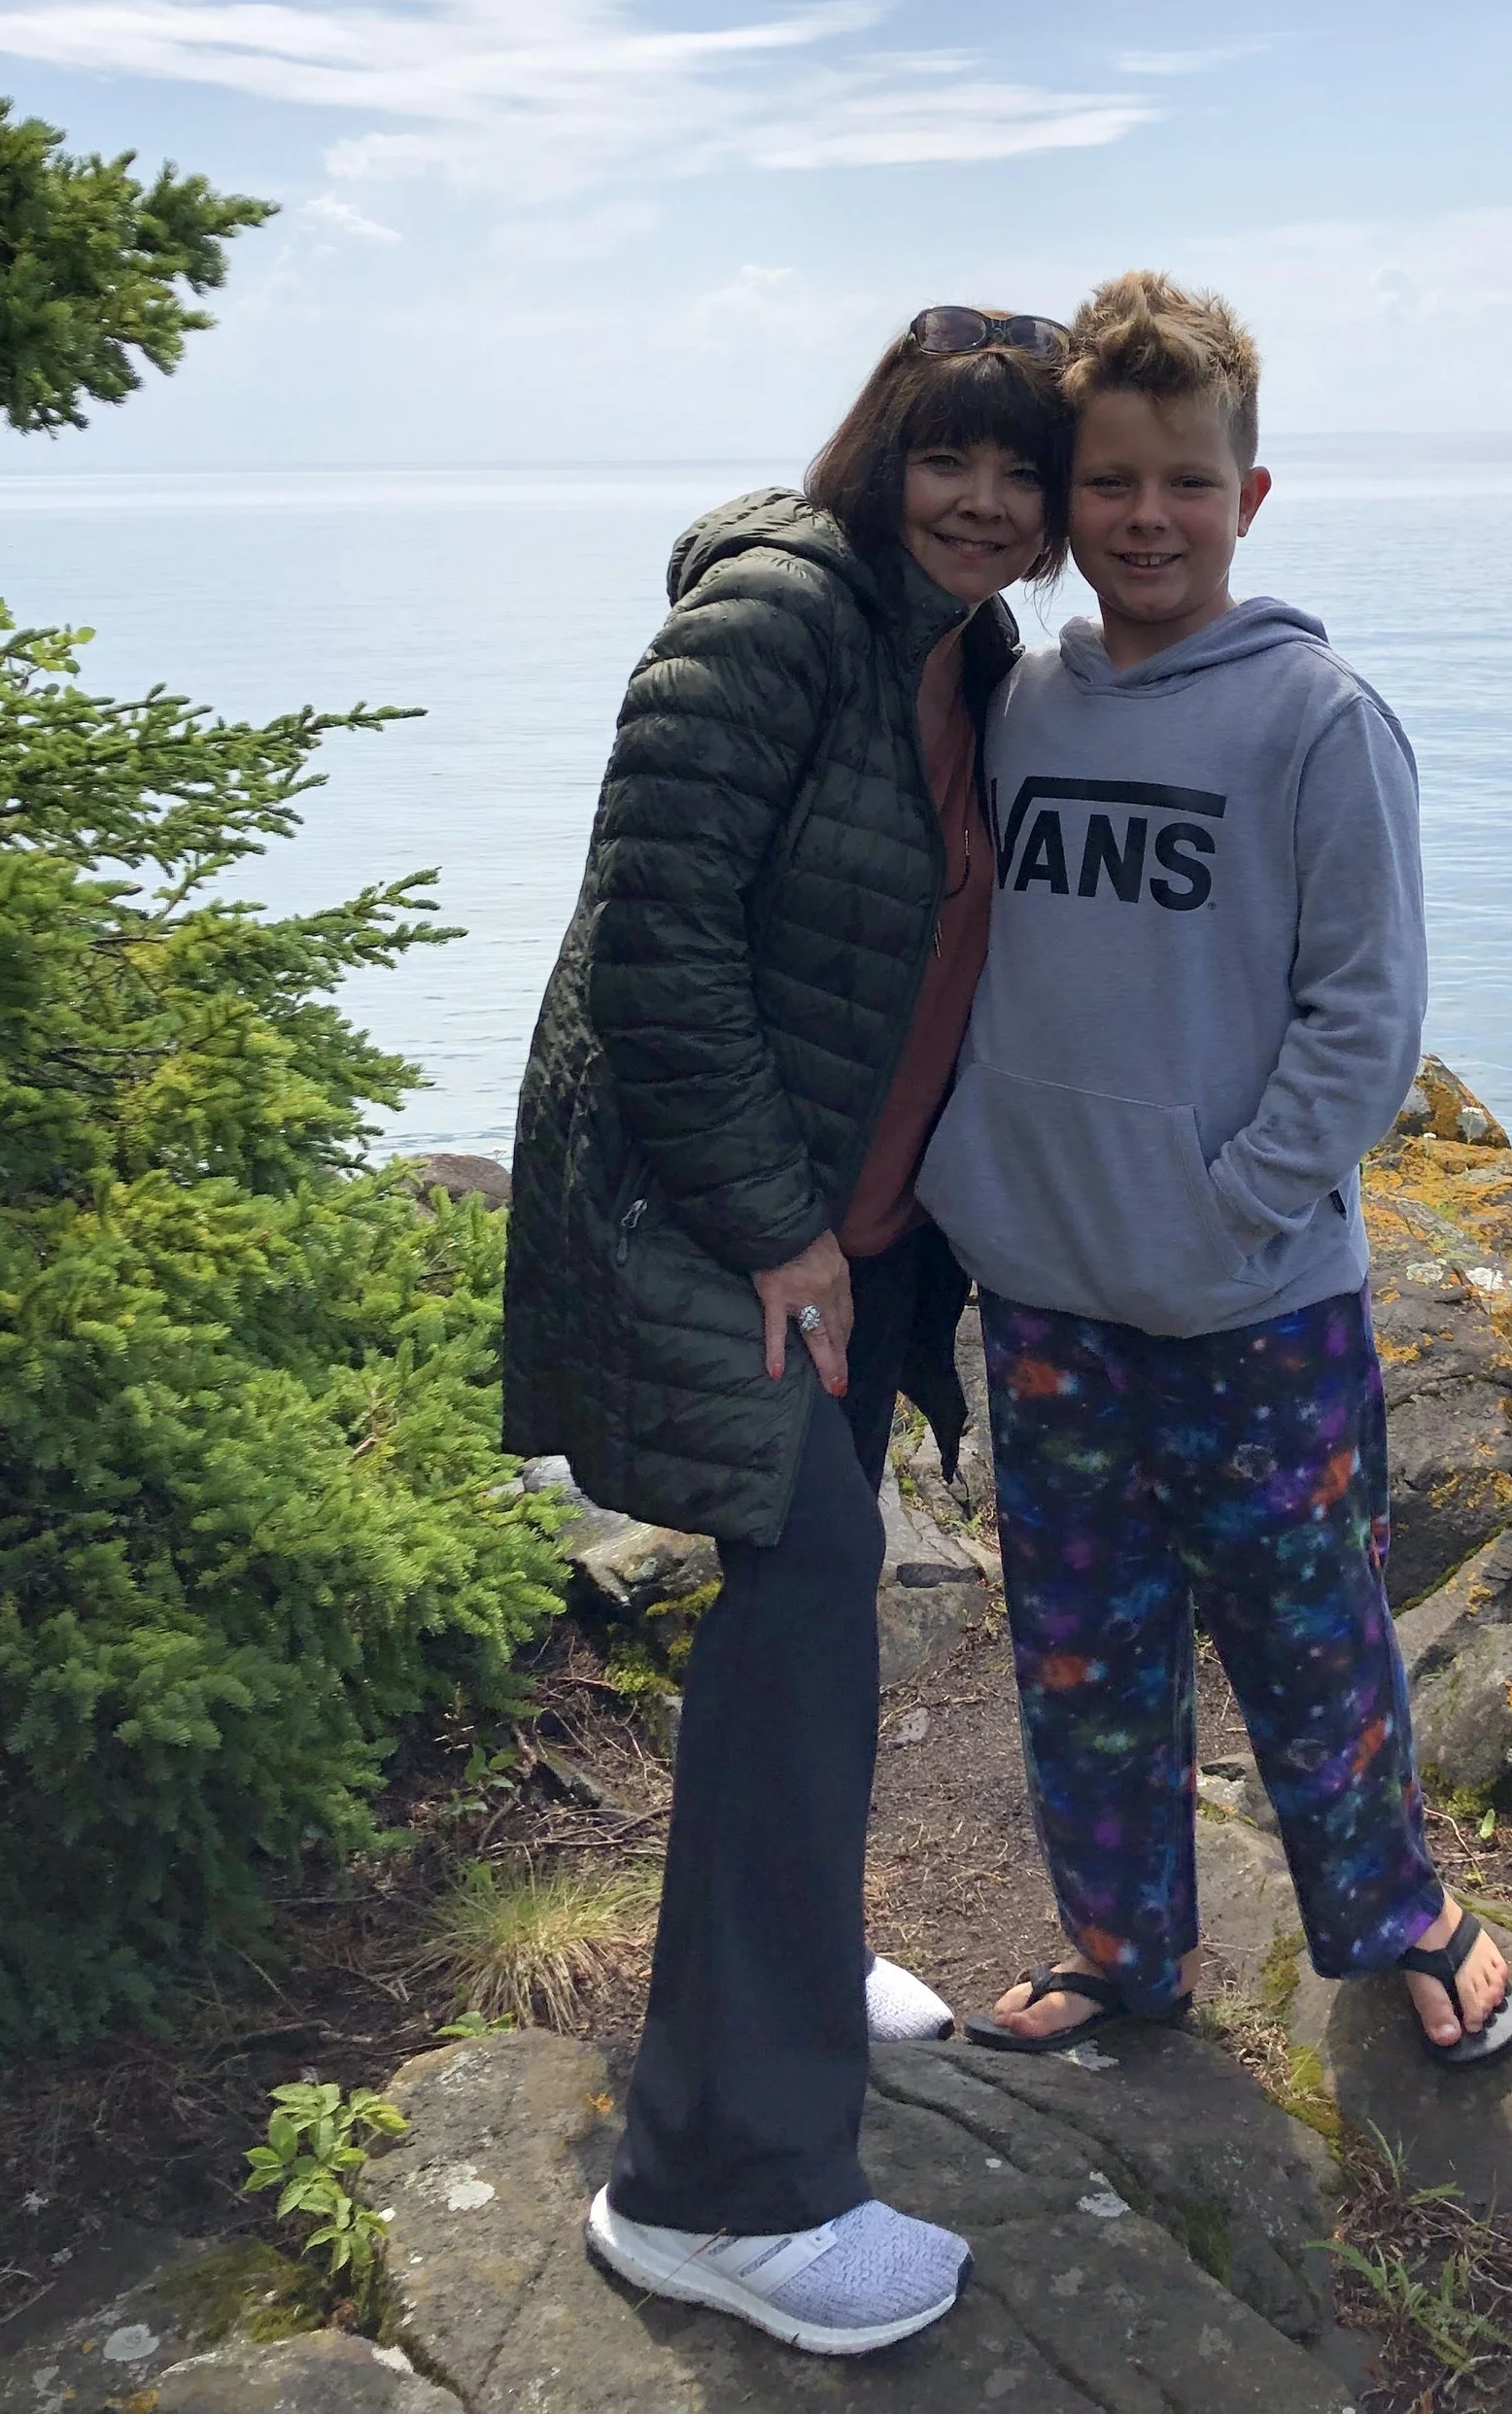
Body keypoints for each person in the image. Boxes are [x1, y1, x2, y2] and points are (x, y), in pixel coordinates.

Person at [501, 307, 1074, 2356]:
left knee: (810, 1609)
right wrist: (772, 1229)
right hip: (732, 1224)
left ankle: (788, 1957)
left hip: (861, 1234)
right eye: (953, 455)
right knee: (807, 1596)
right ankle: (712, 2189)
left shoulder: (966, 654)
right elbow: (651, 929)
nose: (986, 500)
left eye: (1026, 472)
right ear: (879, 447)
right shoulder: (772, 620)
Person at [917, 271, 1512, 2068]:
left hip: (1254, 1305)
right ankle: (1127, 1948)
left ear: (1248, 498)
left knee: (1316, 1641)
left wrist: (1230, 1200)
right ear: (1062, 505)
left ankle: (1399, 1917)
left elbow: (1365, 1019)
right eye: (1111, 484)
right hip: (1046, 1299)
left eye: (1186, 482)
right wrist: (983, 1184)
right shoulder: (1019, 703)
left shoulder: (1317, 721)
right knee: (1081, 1655)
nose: (1148, 518)